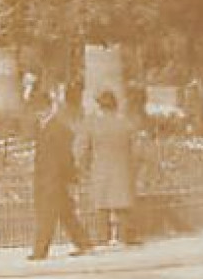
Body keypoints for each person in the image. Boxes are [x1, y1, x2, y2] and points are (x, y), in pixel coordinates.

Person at [29, 93, 90, 260]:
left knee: (47, 214)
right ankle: (84, 242)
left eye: (41, 110)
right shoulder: (42, 126)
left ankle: (40, 251)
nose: (38, 114)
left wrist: (69, 177)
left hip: (55, 178)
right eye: (36, 111)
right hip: (47, 178)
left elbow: (66, 157)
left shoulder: (59, 129)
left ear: (50, 108)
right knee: (65, 213)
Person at [76, 90, 138, 246]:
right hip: (122, 168)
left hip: (100, 169)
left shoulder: (91, 122)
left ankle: (102, 238)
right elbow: (136, 146)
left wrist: (81, 166)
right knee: (122, 203)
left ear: (99, 105)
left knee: (101, 205)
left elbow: (80, 148)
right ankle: (125, 237)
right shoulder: (125, 121)